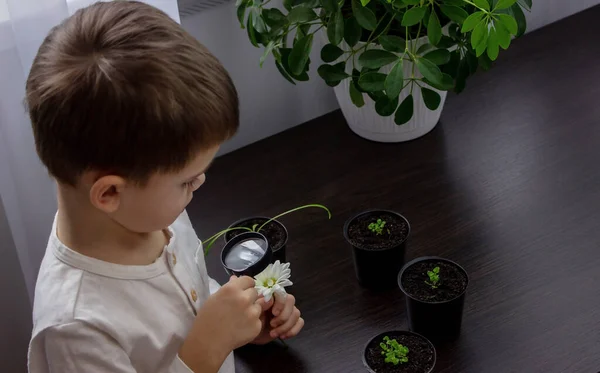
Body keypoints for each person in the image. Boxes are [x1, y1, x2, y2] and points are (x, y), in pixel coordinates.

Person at [25, 2, 303, 372]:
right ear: (109, 193)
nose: (200, 183)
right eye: (187, 180)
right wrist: (208, 347)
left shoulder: (150, 215)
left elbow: (186, 298)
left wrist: (240, 321)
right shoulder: (75, 330)